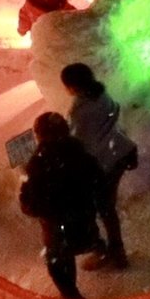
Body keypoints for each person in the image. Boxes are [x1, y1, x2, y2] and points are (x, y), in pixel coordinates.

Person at [18, 113, 103, 299]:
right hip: (84, 219)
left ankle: (72, 297)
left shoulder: (38, 165)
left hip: (58, 228)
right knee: (79, 241)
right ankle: (99, 247)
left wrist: (24, 184)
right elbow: (98, 179)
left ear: (40, 135)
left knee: (58, 260)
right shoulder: (79, 152)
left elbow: (29, 204)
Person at [61, 62, 136, 271]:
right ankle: (114, 251)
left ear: (72, 86)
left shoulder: (80, 110)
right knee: (105, 207)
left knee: (101, 207)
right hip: (119, 153)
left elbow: (78, 142)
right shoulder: (101, 95)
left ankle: (112, 253)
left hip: (105, 162)